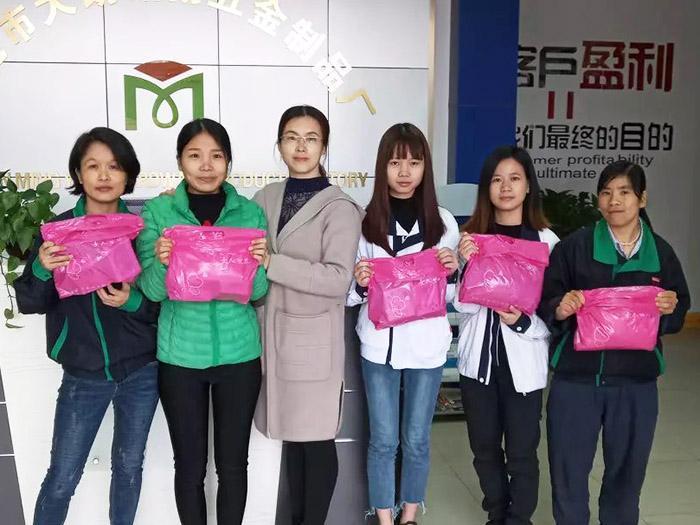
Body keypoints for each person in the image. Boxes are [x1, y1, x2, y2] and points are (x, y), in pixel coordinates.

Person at [15, 127, 159, 525]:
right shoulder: (57, 233)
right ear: (78, 174)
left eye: (114, 166)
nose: (104, 175)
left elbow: (164, 305)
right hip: (83, 374)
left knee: (129, 469)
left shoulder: (143, 231)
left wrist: (132, 301)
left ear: (128, 175)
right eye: (93, 166)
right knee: (63, 477)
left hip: (142, 371)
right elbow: (29, 302)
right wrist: (42, 268)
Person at [538, 160, 690, 524]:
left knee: (627, 475)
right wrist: (561, 307)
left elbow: (679, 306)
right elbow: (547, 299)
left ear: (642, 199)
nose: (614, 201)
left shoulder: (661, 253)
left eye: (624, 192)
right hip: (576, 380)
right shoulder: (574, 247)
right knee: (568, 472)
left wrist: (670, 308)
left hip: (635, 383)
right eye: (606, 193)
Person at [136, 118, 268, 525]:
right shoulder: (159, 212)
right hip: (180, 359)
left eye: (216, 156)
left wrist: (261, 263)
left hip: (239, 356)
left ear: (228, 162)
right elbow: (152, 291)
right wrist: (162, 261)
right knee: (190, 467)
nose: (206, 166)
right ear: (180, 161)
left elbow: (257, 292)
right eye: (195, 156)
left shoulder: (249, 213)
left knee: (233, 465)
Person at [252, 104, 363, 525]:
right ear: (279, 145)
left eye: (311, 138)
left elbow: (337, 278)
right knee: (293, 443)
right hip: (271, 337)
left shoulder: (339, 207)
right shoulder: (264, 198)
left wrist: (273, 264)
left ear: (324, 147)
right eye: (292, 138)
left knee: (315, 440)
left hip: (312, 340)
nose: (301, 147)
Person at [347, 123, 459, 525]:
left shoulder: (443, 223)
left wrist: (452, 272)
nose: (405, 172)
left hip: (427, 345)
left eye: (414, 162)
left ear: (425, 167)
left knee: (416, 439)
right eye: (395, 163)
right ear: (383, 167)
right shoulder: (365, 222)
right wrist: (360, 283)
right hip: (379, 345)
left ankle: (409, 515)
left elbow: (451, 295)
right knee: (383, 440)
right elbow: (349, 294)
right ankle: (383, 518)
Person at [454, 146, 558, 525]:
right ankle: (497, 514)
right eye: (497, 180)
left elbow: (555, 311)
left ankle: (519, 519)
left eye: (514, 178)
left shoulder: (546, 243)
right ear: (487, 188)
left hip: (523, 364)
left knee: (521, 453)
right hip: (479, 365)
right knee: (483, 449)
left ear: (528, 186)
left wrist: (523, 323)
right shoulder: (470, 238)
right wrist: (465, 264)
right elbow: (461, 305)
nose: (506, 187)